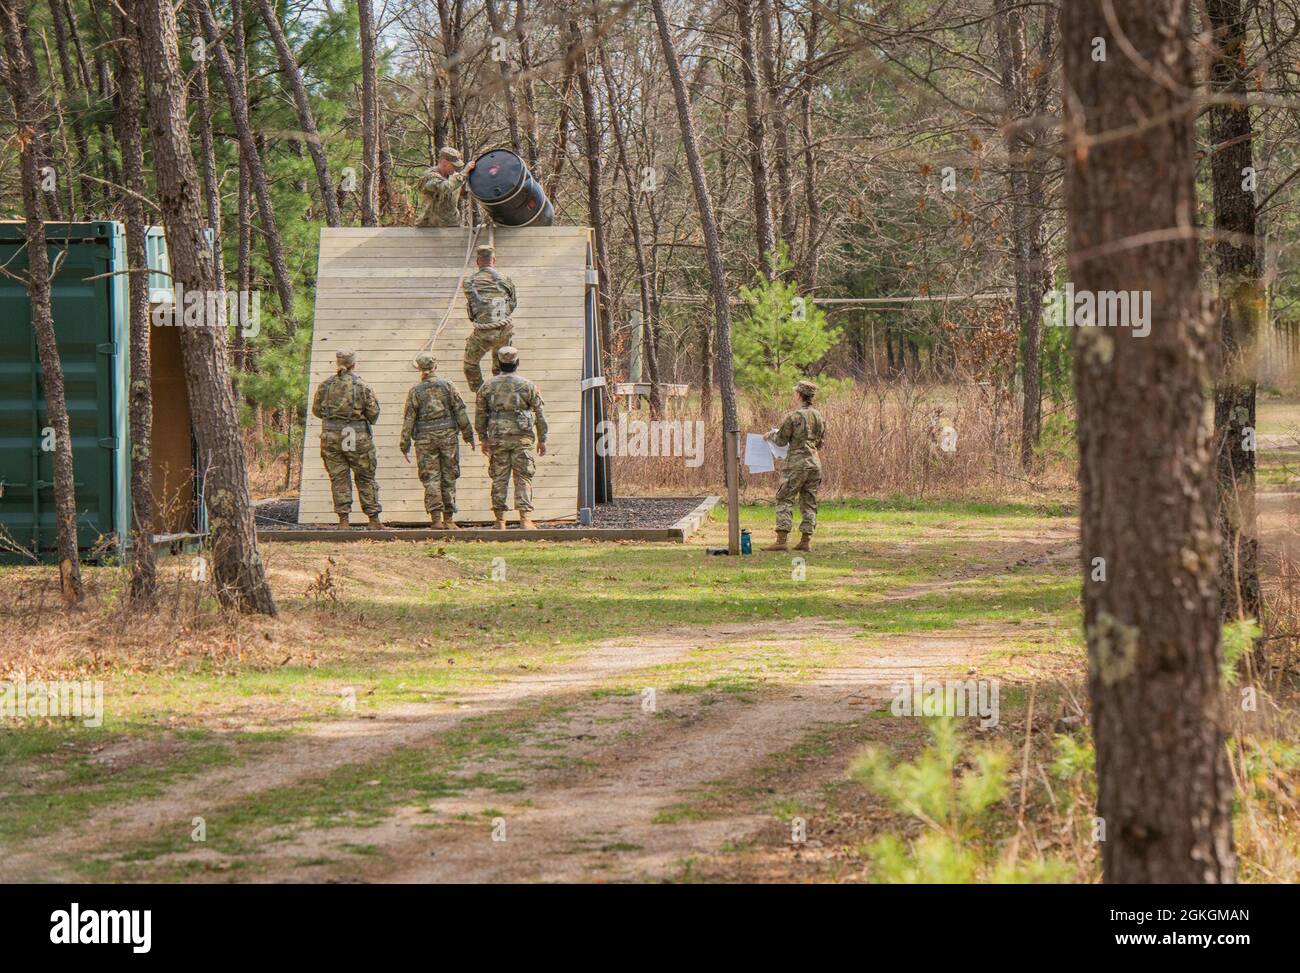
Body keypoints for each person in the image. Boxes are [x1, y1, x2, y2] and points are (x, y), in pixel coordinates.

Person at [400, 353, 475, 528]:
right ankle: (449, 519)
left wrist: (405, 443)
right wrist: (468, 434)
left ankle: (436, 520)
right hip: (448, 436)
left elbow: (409, 419)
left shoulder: (415, 391)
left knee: (431, 477)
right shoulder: (448, 386)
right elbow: (460, 411)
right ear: (435, 366)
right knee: (449, 475)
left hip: (425, 439)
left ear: (419, 369)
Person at [475, 346, 547, 529]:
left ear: (498, 363)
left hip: (497, 439)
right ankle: (525, 519)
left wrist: (483, 438)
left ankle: (499, 520)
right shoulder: (527, 385)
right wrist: (542, 439)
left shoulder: (487, 386)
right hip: (522, 439)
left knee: (499, 478)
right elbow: (540, 414)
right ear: (517, 362)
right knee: (523, 477)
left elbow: (480, 414)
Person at [312, 350, 382, 529]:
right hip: (357, 436)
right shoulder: (362, 386)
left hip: (331, 437)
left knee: (339, 478)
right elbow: (373, 414)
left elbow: (317, 411)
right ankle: (373, 520)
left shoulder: (325, 385)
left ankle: (343, 521)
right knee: (366, 477)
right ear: (354, 364)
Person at [764, 379, 826, 551]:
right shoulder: (819, 416)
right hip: (814, 464)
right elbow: (820, 443)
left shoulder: (793, 416)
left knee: (784, 498)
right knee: (809, 501)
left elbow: (781, 440)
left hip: (796, 465)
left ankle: (781, 540)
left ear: (799, 395)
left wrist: (771, 435)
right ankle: (806, 540)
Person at [462, 243, 517, 391]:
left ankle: (480, 392)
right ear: (494, 260)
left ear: (477, 261)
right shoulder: (506, 280)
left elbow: (472, 304)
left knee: (470, 363)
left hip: (483, 333)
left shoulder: (469, 282)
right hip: (504, 330)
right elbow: (513, 303)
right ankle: (499, 392)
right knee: (500, 364)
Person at [416, 147, 476, 227]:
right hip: (430, 227)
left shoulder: (453, 177)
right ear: (444, 162)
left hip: (452, 224)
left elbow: (462, 194)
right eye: (453, 165)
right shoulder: (429, 177)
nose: (455, 168)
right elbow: (445, 187)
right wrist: (464, 173)